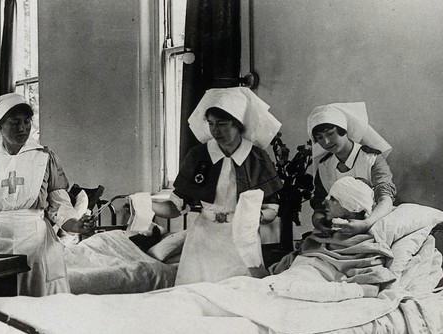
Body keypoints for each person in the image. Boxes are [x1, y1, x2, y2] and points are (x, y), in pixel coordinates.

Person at [0, 93, 95, 296]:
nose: (22, 128)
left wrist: (76, 225)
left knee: (38, 302)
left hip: (36, 241)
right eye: (14, 123)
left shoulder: (44, 157)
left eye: (27, 121)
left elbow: (60, 206)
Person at [153, 87, 283, 285]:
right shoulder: (198, 155)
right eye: (211, 123)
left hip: (241, 240)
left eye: (222, 124)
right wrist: (146, 204)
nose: (215, 130)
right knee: (197, 296)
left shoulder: (257, 158)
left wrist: (257, 216)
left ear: (238, 124)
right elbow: (176, 206)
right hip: (203, 238)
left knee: (238, 296)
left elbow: (272, 208)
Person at [307, 102, 397, 237]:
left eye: (330, 134)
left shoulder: (371, 159)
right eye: (320, 138)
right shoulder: (324, 166)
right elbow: (320, 203)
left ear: (343, 130)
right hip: (338, 229)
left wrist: (365, 224)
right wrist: (318, 221)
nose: (326, 142)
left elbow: (385, 198)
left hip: (373, 223)